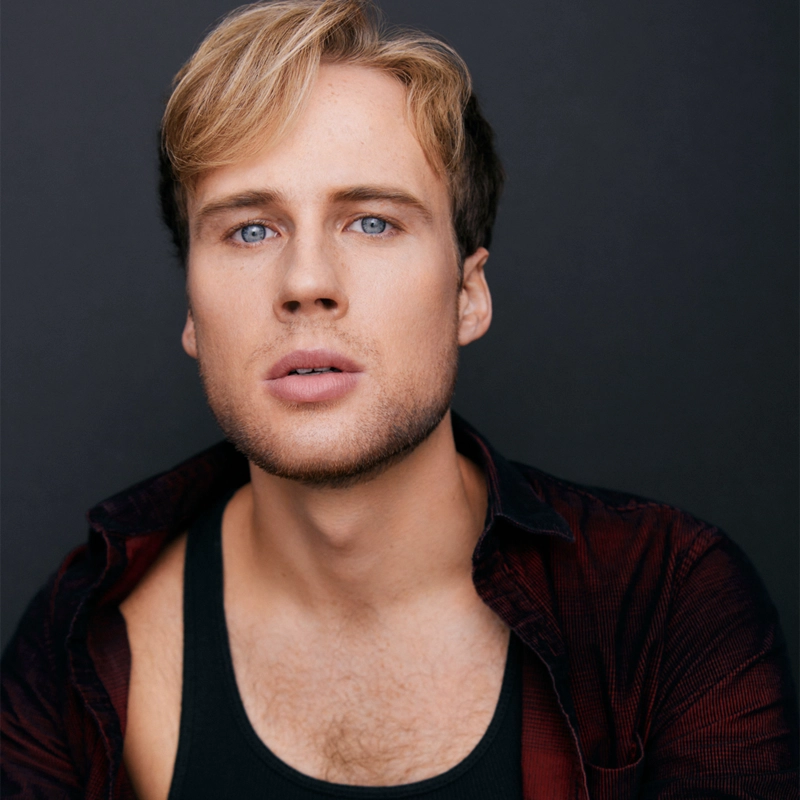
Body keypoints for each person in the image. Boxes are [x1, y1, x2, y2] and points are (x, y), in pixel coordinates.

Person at [1, 1, 797, 797]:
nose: (306, 282)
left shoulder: (666, 601)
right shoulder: (84, 641)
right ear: (192, 314)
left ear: (468, 296)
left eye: (372, 223)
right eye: (250, 230)